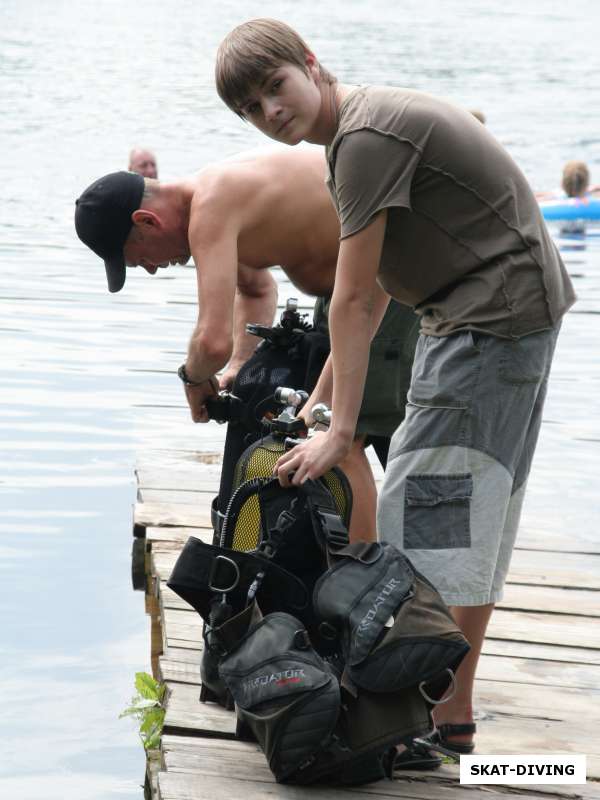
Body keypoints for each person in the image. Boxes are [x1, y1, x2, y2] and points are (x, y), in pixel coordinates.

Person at [214, 18, 576, 762]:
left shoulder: (363, 140)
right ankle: (452, 719)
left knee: (430, 525)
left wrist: (341, 434)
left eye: (274, 87)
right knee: (469, 515)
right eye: (251, 108)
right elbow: (375, 290)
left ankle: (410, 724)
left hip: (485, 325)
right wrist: (321, 400)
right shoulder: (366, 125)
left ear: (311, 65)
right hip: (498, 318)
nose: (270, 111)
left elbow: (348, 301)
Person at [74, 148, 419, 540]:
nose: (152, 269)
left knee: (340, 440)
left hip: (385, 282)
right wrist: (239, 365)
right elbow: (255, 289)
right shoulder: (211, 195)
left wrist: (191, 377)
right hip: (352, 291)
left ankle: (362, 584)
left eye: (139, 260)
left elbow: (212, 341)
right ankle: (391, 562)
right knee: (373, 431)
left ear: (147, 221)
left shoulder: (210, 207)